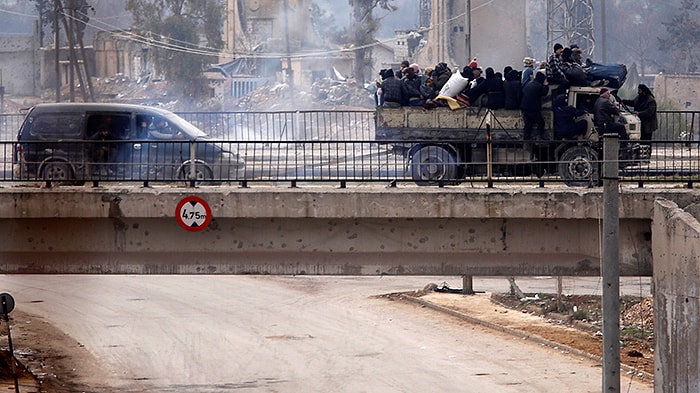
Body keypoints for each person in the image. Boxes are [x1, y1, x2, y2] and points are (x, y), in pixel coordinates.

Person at [520, 71, 550, 142]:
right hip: (532, 109)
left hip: (524, 107)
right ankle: (539, 137)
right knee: (541, 122)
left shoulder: (529, 83)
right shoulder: (539, 86)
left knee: (528, 123)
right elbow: (544, 93)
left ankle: (526, 138)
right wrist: (546, 85)